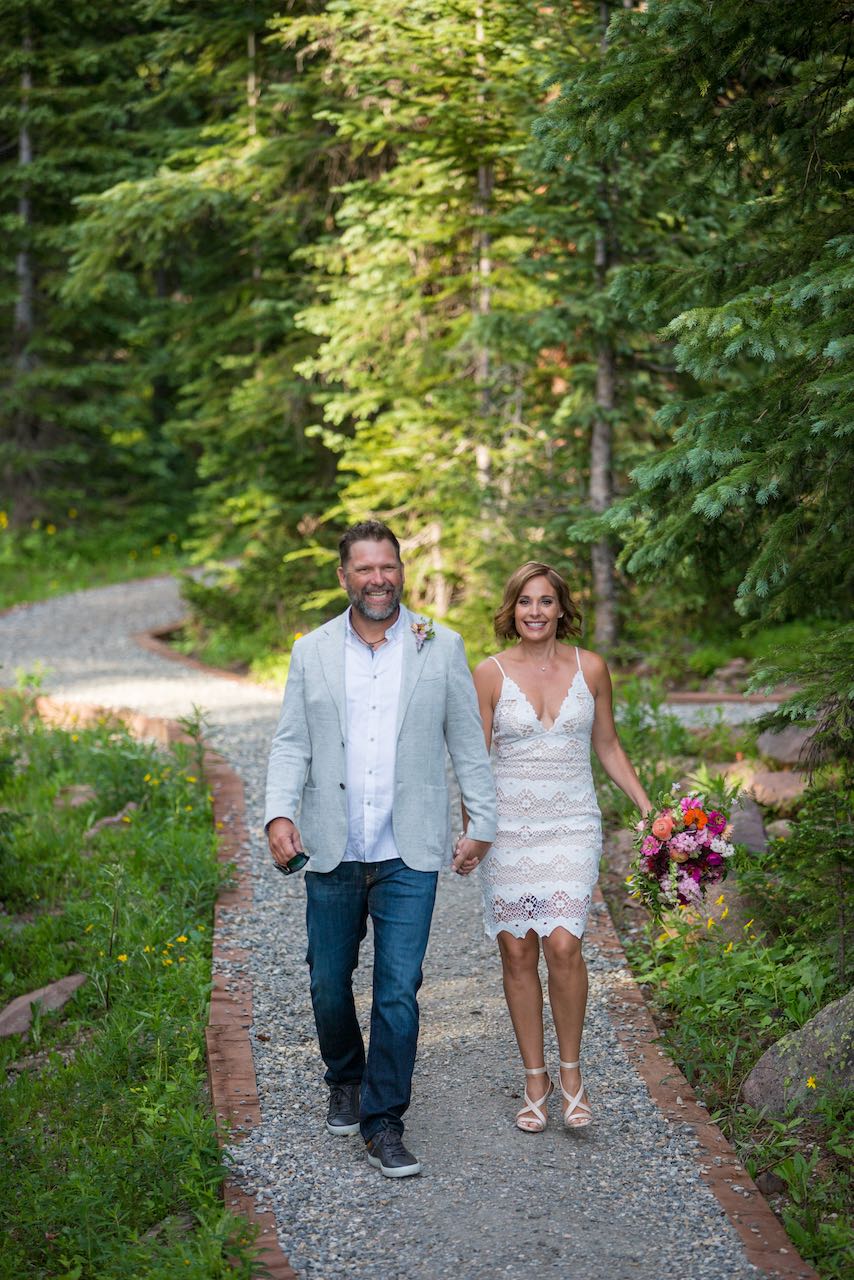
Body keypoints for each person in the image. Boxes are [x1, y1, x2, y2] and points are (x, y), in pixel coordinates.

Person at [265, 519, 496, 1178]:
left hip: (408, 851)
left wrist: (481, 821)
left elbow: (465, 743)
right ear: (343, 577)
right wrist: (279, 813)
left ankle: (384, 1118)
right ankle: (345, 1074)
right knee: (327, 983)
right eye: (364, 568)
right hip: (333, 848)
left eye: (387, 567)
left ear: (402, 572)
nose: (377, 579)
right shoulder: (311, 651)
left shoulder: (440, 645)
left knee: (398, 992)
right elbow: (290, 742)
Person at [456, 561, 651, 1133]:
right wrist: (476, 833)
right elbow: (474, 765)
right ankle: (534, 1077)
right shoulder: (488, 674)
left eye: (545, 601)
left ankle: (572, 1074)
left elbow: (608, 746)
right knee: (517, 950)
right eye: (524, 602)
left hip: (571, 822)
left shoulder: (591, 668)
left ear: (562, 608)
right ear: (511, 610)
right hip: (508, 829)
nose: (535, 612)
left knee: (563, 943)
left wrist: (647, 809)